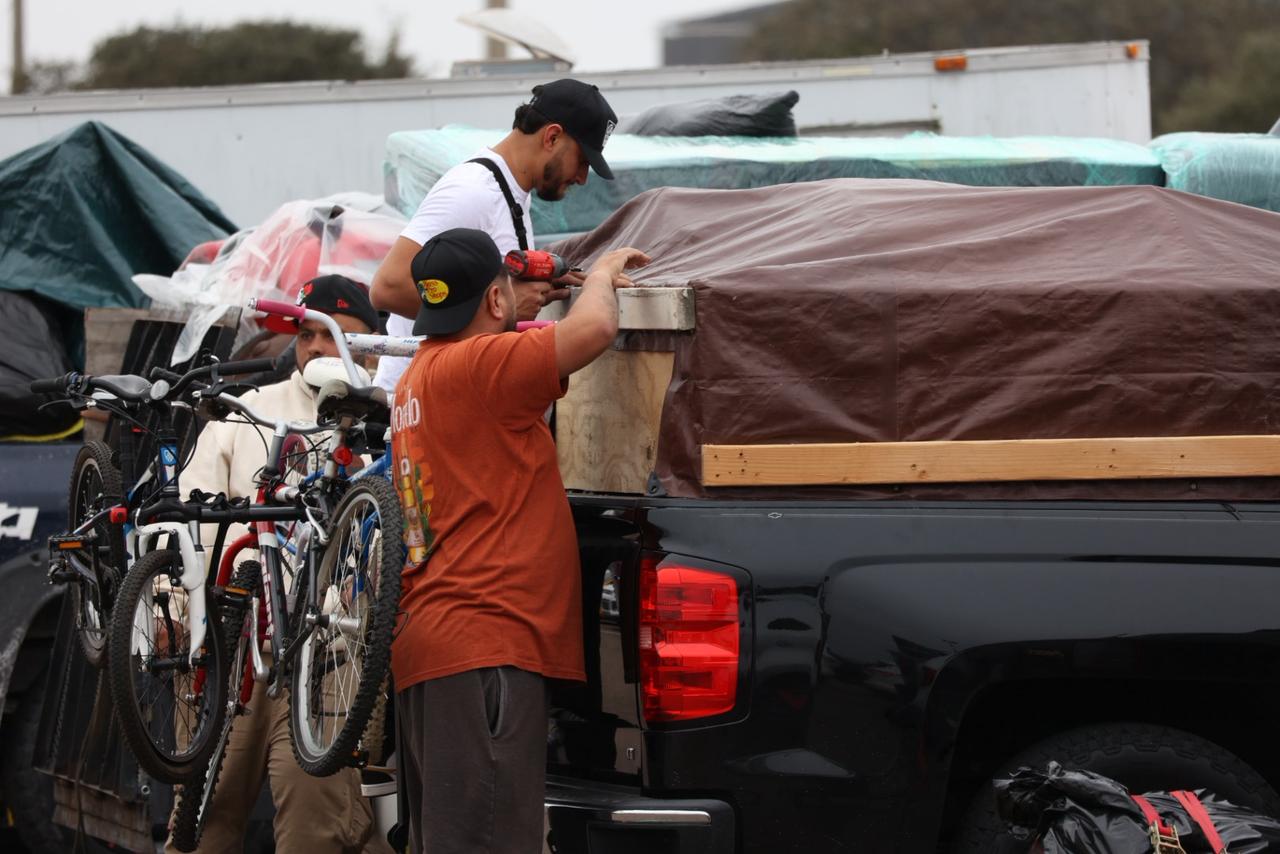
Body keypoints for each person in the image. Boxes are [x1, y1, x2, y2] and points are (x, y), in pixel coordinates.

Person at [389, 228, 649, 853]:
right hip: (486, 648)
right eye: (507, 291)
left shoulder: (421, 376)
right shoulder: (482, 367)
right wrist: (607, 272)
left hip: (437, 645)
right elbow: (591, 334)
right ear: (497, 302)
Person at [172, 275, 390, 854]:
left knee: (318, 835)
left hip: (332, 663)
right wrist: (180, 610)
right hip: (230, 651)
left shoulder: (389, 426)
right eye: (309, 333)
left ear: (375, 343)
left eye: (339, 335)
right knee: (201, 828)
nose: (319, 347)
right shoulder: (247, 414)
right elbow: (183, 522)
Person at [370, 77, 620, 394]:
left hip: (446, 399)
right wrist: (505, 308)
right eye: (582, 161)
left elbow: (464, 285)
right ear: (552, 137)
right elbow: (388, 288)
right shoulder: (473, 191)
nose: (583, 178)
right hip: (419, 405)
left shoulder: (511, 192)